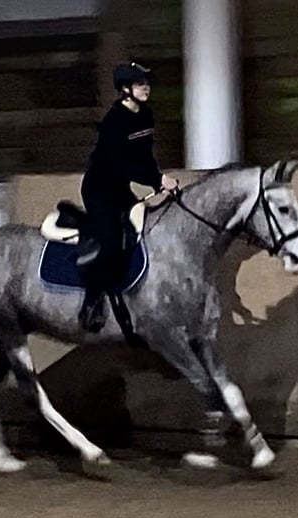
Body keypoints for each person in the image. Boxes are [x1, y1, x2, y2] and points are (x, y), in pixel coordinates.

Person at [78, 61, 178, 332]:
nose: (146, 88)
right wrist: (157, 180)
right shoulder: (114, 121)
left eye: (146, 83)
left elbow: (144, 156)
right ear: (125, 89)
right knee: (111, 238)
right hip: (99, 188)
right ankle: (93, 300)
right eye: (139, 84)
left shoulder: (145, 115)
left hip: (120, 188)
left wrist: (160, 182)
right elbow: (121, 164)